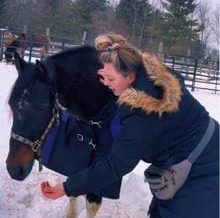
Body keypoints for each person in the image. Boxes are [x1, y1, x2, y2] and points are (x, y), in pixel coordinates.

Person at [41, 33, 219, 218]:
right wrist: (110, 74)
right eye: (104, 77)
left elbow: (116, 164)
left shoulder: (140, 110)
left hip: (204, 166)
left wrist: (67, 187)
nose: (107, 85)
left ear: (130, 76)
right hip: (196, 152)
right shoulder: (148, 72)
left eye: (111, 79)